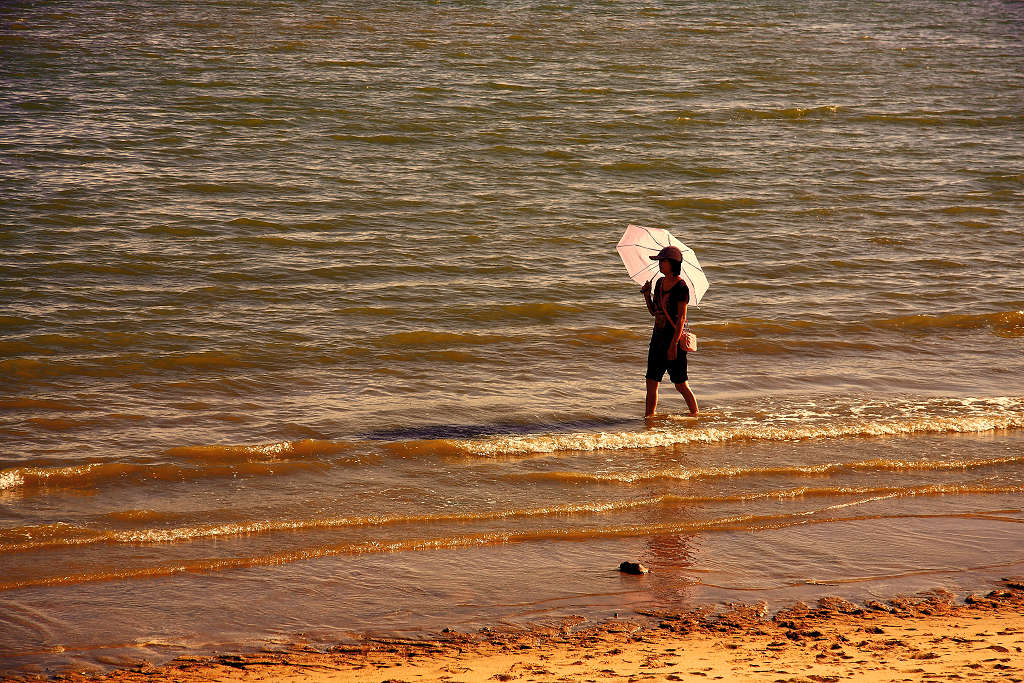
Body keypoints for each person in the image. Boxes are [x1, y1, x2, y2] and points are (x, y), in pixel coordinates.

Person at [640, 246, 699, 418]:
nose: (660, 264)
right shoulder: (658, 283)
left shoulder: (681, 287)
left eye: (662, 261)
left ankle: (695, 415)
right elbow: (654, 312)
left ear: (672, 263)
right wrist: (646, 294)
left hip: (673, 341)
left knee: (680, 384)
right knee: (651, 382)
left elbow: (681, 318)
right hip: (657, 339)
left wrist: (673, 345)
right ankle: (648, 419)